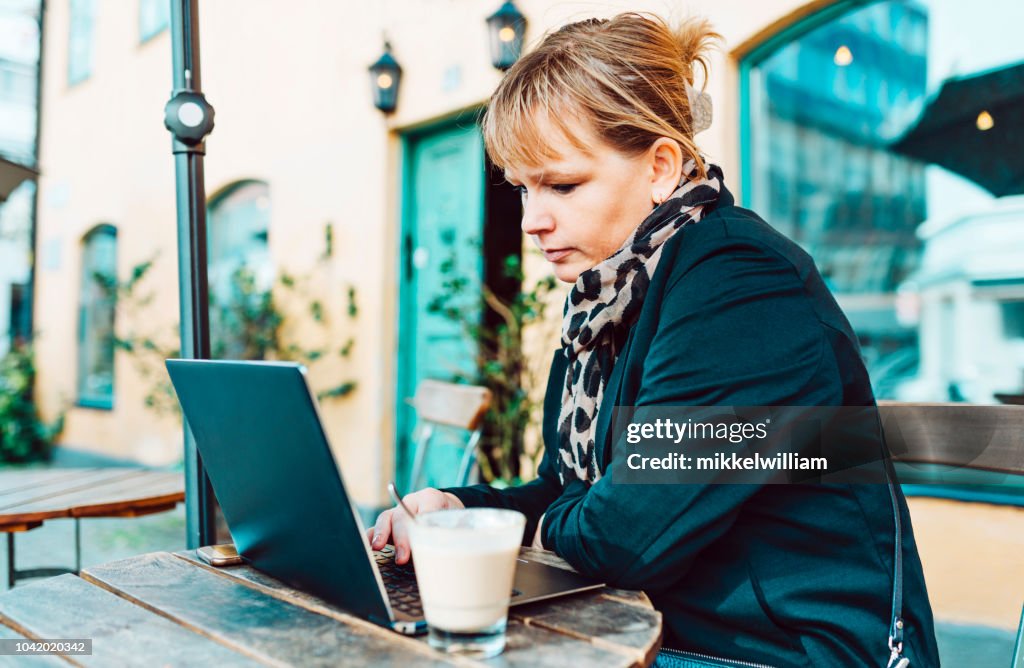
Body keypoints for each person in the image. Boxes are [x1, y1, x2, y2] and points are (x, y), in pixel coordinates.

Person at [370, 13, 940, 667]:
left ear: (661, 168)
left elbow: (624, 538)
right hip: (665, 634)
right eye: (523, 189)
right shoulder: (605, 300)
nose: (533, 220)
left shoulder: (740, 283)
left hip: (793, 651)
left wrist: (524, 524)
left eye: (563, 185)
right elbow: (572, 490)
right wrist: (456, 510)